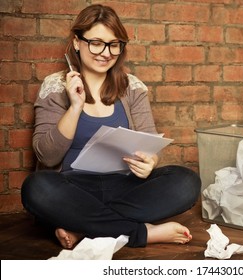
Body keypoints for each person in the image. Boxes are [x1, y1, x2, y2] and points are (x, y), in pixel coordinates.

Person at [21, 4, 201, 249]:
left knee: (186, 181)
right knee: (36, 188)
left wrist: (151, 163)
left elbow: (150, 144)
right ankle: (142, 233)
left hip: (125, 187)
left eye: (114, 44)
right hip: (74, 189)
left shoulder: (132, 87)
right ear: (77, 43)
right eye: (96, 42)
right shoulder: (55, 86)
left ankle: (83, 229)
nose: (105, 52)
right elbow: (47, 156)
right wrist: (74, 106)